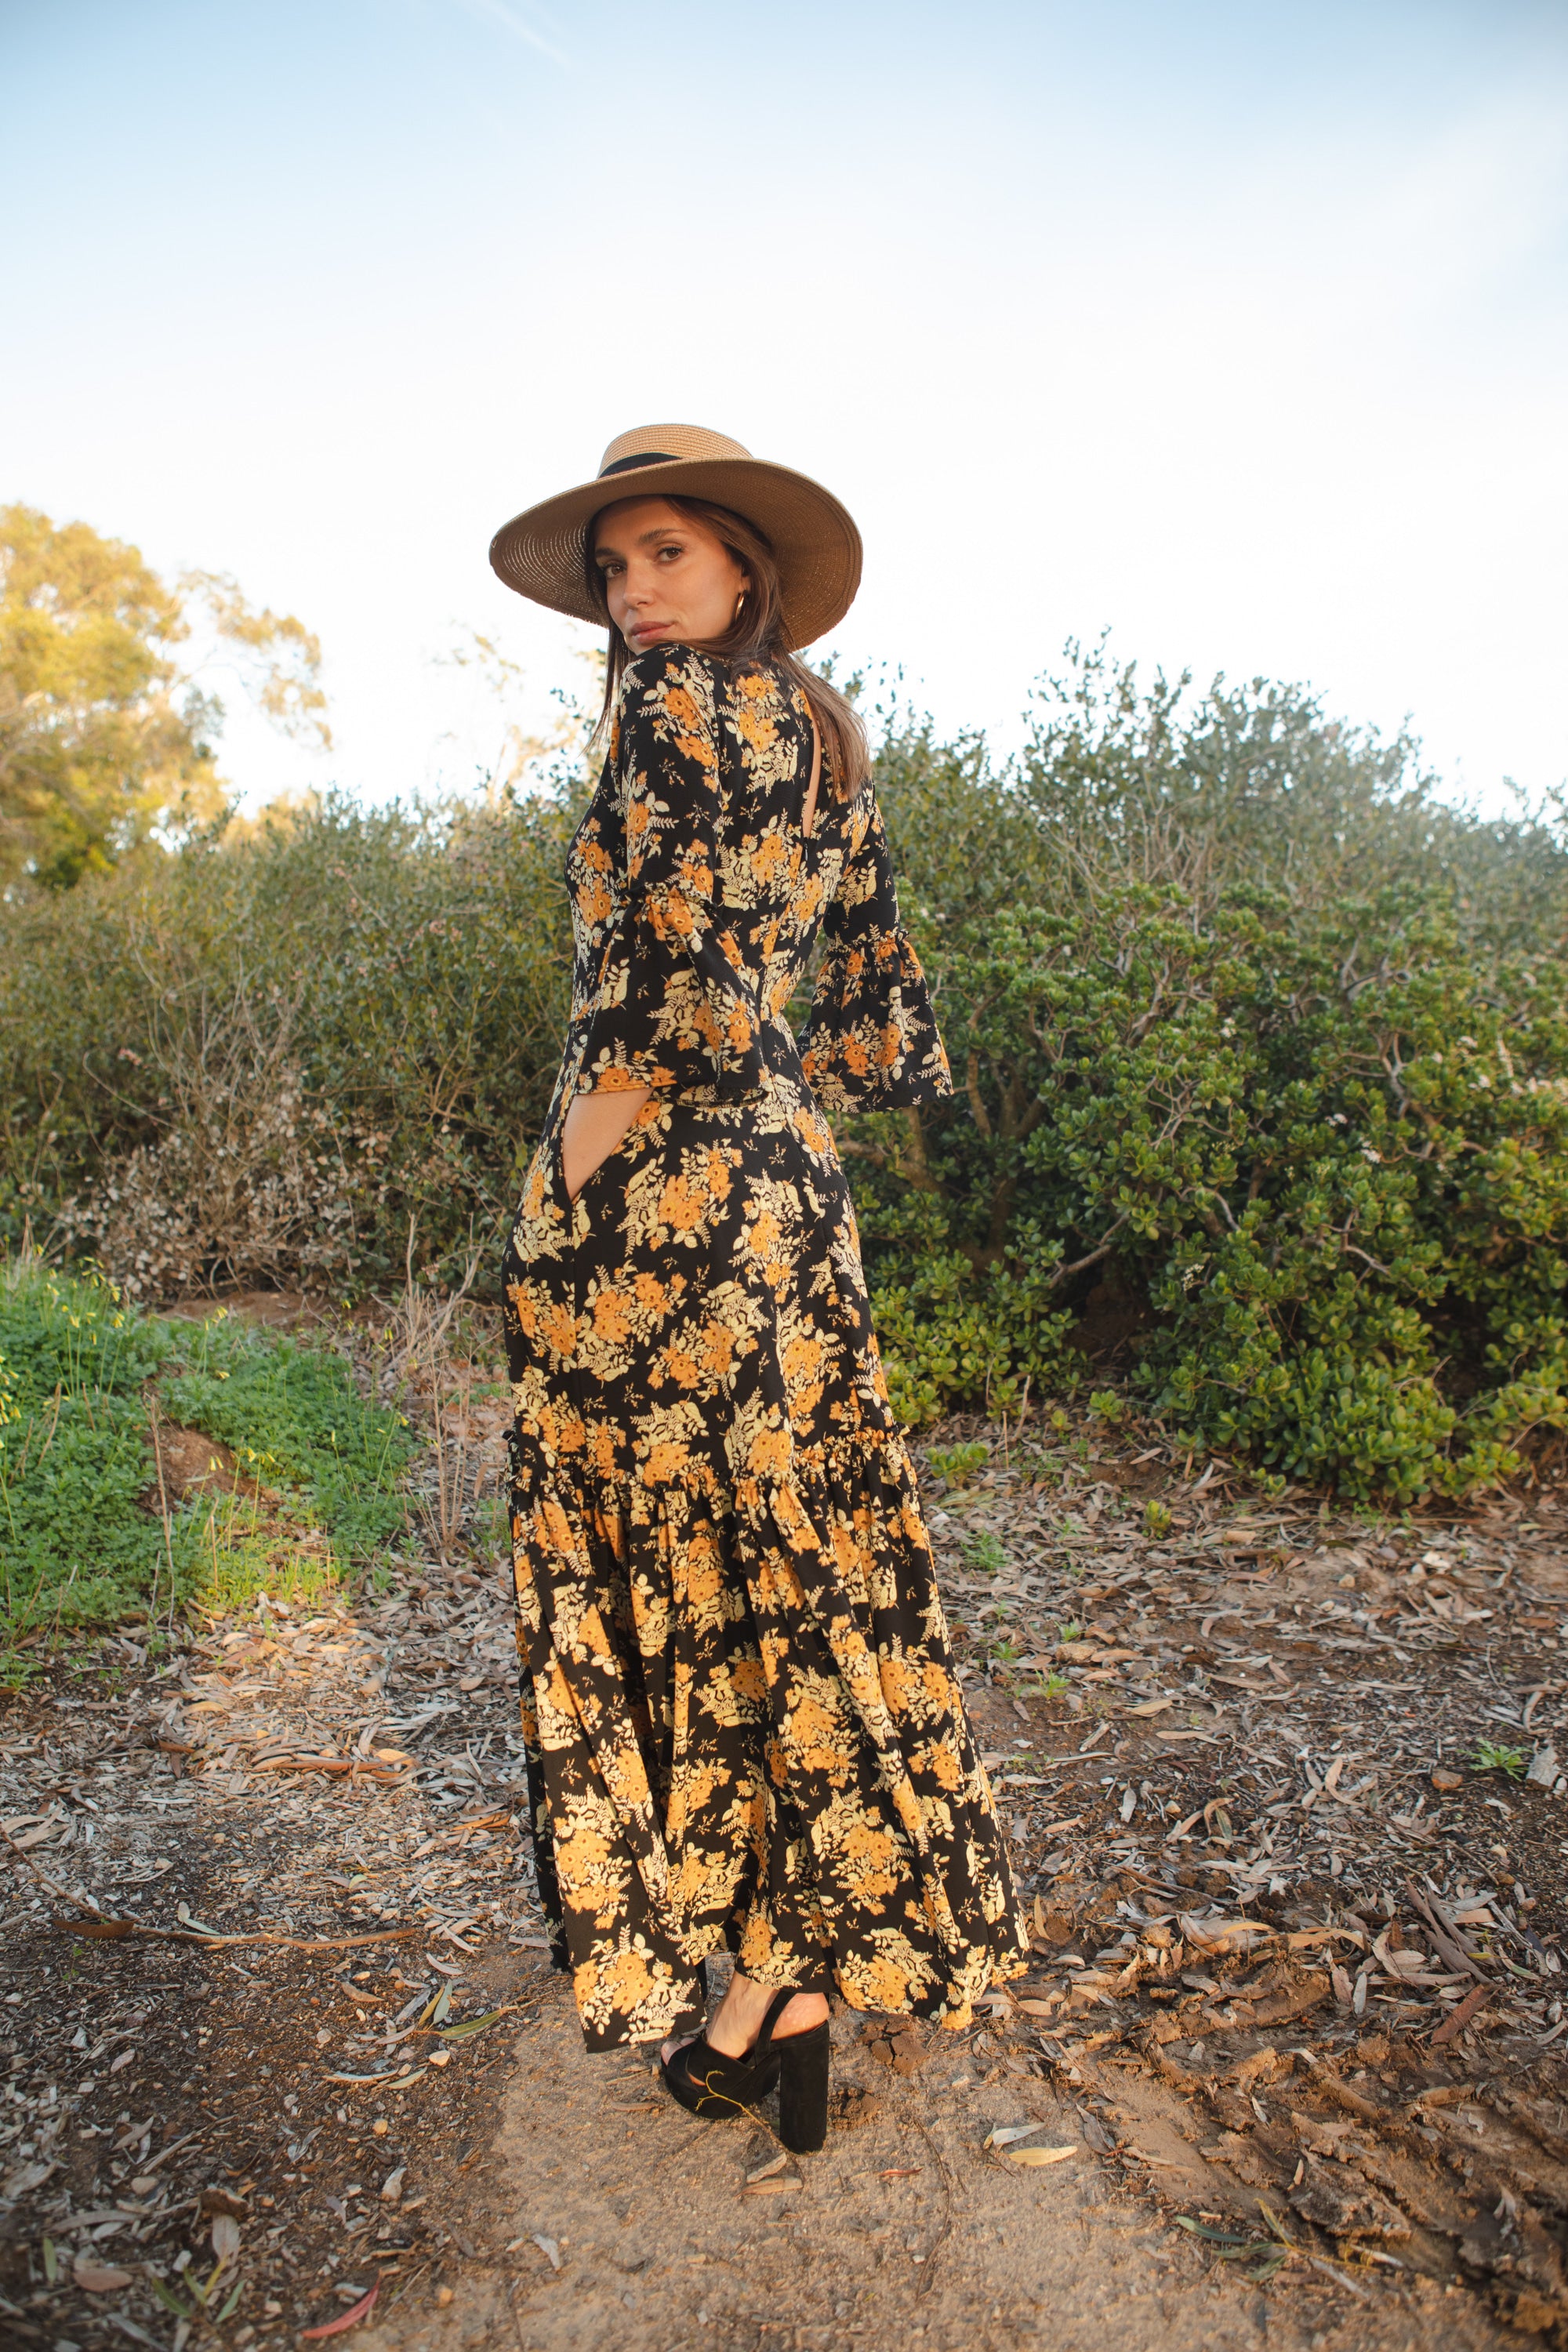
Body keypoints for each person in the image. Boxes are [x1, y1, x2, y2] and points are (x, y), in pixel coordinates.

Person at [489, 425, 1026, 2154]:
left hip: (662, 1198)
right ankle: (787, 1969)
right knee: (791, 1576)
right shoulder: (825, 736)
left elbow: (662, 969)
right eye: (613, 568)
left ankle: (761, 1968)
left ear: (742, 566)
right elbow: (865, 1000)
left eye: (664, 554)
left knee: (685, 1573)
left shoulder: (674, 714)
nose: (635, 594)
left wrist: (584, 1160)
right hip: (787, 1194)